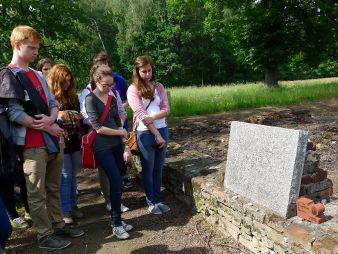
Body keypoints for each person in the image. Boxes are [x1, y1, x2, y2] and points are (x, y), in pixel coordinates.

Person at [5, 25, 84, 251]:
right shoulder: (8, 75)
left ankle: (59, 224)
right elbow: (13, 111)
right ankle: (44, 235)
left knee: (53, 186)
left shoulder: (38, 75)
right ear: (18, 46)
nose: (36, 52)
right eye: (31, 48)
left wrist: (50, 120)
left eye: (37, 48)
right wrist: (45, 126)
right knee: (36, 193)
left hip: (52, 141)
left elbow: (52, 103)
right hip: (31, 146)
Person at [85, 64, 133, 240]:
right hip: (102, 147)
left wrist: (125, 143)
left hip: (117, 146)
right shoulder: (90, 100)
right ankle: (116, 224)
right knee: (116, 182)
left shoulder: (112, 98)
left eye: (111, 85)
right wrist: (120, 132)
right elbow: (98, 128)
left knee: (118, 183)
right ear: (97, 81)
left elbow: (117, 121)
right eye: (105, 85)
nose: (109, 88)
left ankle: (118, 220)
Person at [127, 55, 170, 215]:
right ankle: (151, 202)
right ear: (137, 72)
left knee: (158, 169)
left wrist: (153, 118)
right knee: (148, 169)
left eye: (149, 70)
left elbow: (167, 109)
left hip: (162, 129)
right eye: (144, 71)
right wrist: (156, 133)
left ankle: (158, 199)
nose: (147, 74)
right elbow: (140, 113)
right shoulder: (132, 89)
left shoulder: (158, 86)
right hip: (145, 133)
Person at [47, 64, 84, 224]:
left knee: (73, 174)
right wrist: (62, 117)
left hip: (74, 140)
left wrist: (76, 119)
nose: (68, 84)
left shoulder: (73, 96)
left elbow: (80, 116)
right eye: (65, 81)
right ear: (57, 81)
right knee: (65, 176)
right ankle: (65, 210)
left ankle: (73, 205)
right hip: (59, 141)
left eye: (70, 81)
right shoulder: (49, 97)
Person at [91, 51, 133, 189]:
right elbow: (92, 120)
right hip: (104, 133)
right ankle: (112, 190)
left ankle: (122, 177)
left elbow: (126, 98)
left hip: (119, 123)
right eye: (99, 64)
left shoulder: (118, 80)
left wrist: (119, 110)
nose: (103, 67)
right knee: (107, 165)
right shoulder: (91, 90)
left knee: (122, 153)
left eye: (105, 64)